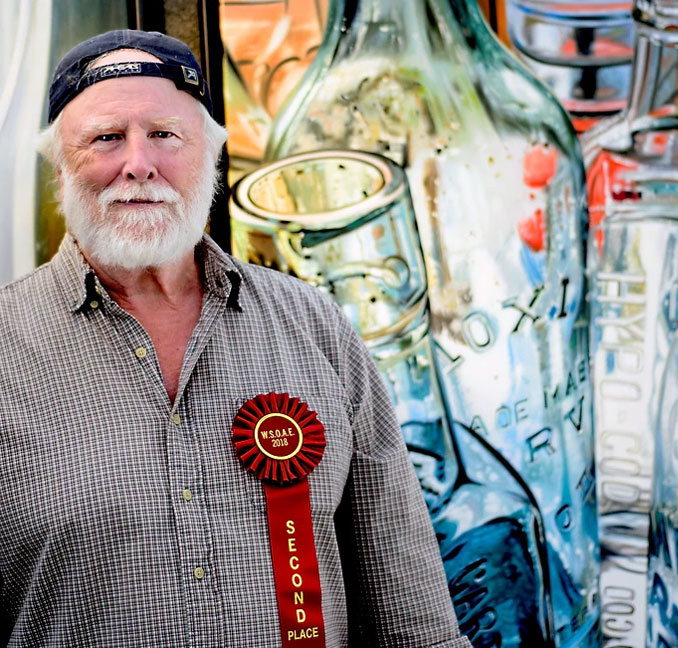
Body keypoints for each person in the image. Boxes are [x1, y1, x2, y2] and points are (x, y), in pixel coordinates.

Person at [0, 30, 471, 648]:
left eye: (166, 135)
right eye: (106, 138)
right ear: (60, 172)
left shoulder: (314, 323)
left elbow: (412, 613)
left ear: (212, 158)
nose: (138, 163)